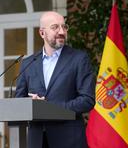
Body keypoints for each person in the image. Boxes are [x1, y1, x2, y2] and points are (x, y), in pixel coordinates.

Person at [15, 11, 96, 148]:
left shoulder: (79, 59)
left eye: (64, 27)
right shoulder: (28, 63)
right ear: (42, 33)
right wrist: (31, 104)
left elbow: (87, 100)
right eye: (55, 27)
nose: (61, 31)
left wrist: (49, 108)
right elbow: (19, 101)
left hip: (69, 140)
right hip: (37, 141)